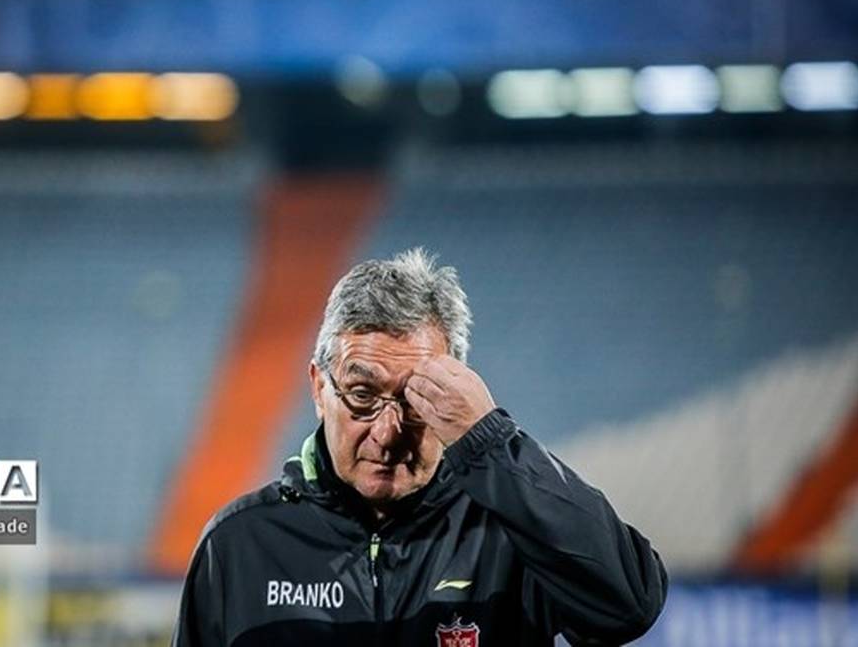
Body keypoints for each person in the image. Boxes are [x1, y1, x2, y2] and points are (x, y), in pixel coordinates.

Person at [172, 248, 666, 646]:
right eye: (362, 395)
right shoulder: (237, 545)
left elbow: (629, 607)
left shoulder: (511, 531)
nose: (388, 433)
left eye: (415, 399)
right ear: (319, 388)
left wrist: (491, 440)